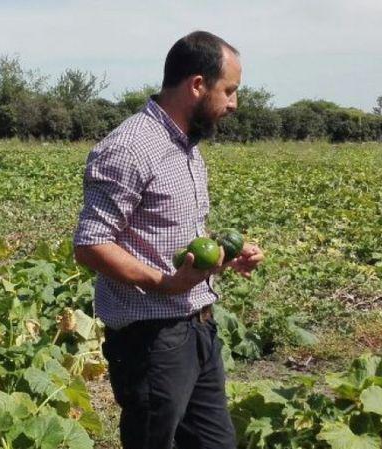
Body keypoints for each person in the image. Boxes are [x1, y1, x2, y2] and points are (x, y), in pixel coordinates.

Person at [73, 31, 265, 449]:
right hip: (151, 342)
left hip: (198, 330)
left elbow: (173, 239)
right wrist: (163, 284)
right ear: (198, 85)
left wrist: (223, 260)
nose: (234, 103)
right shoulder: (129, 148)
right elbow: (90, 244)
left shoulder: (186, 146)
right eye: (229, 90)